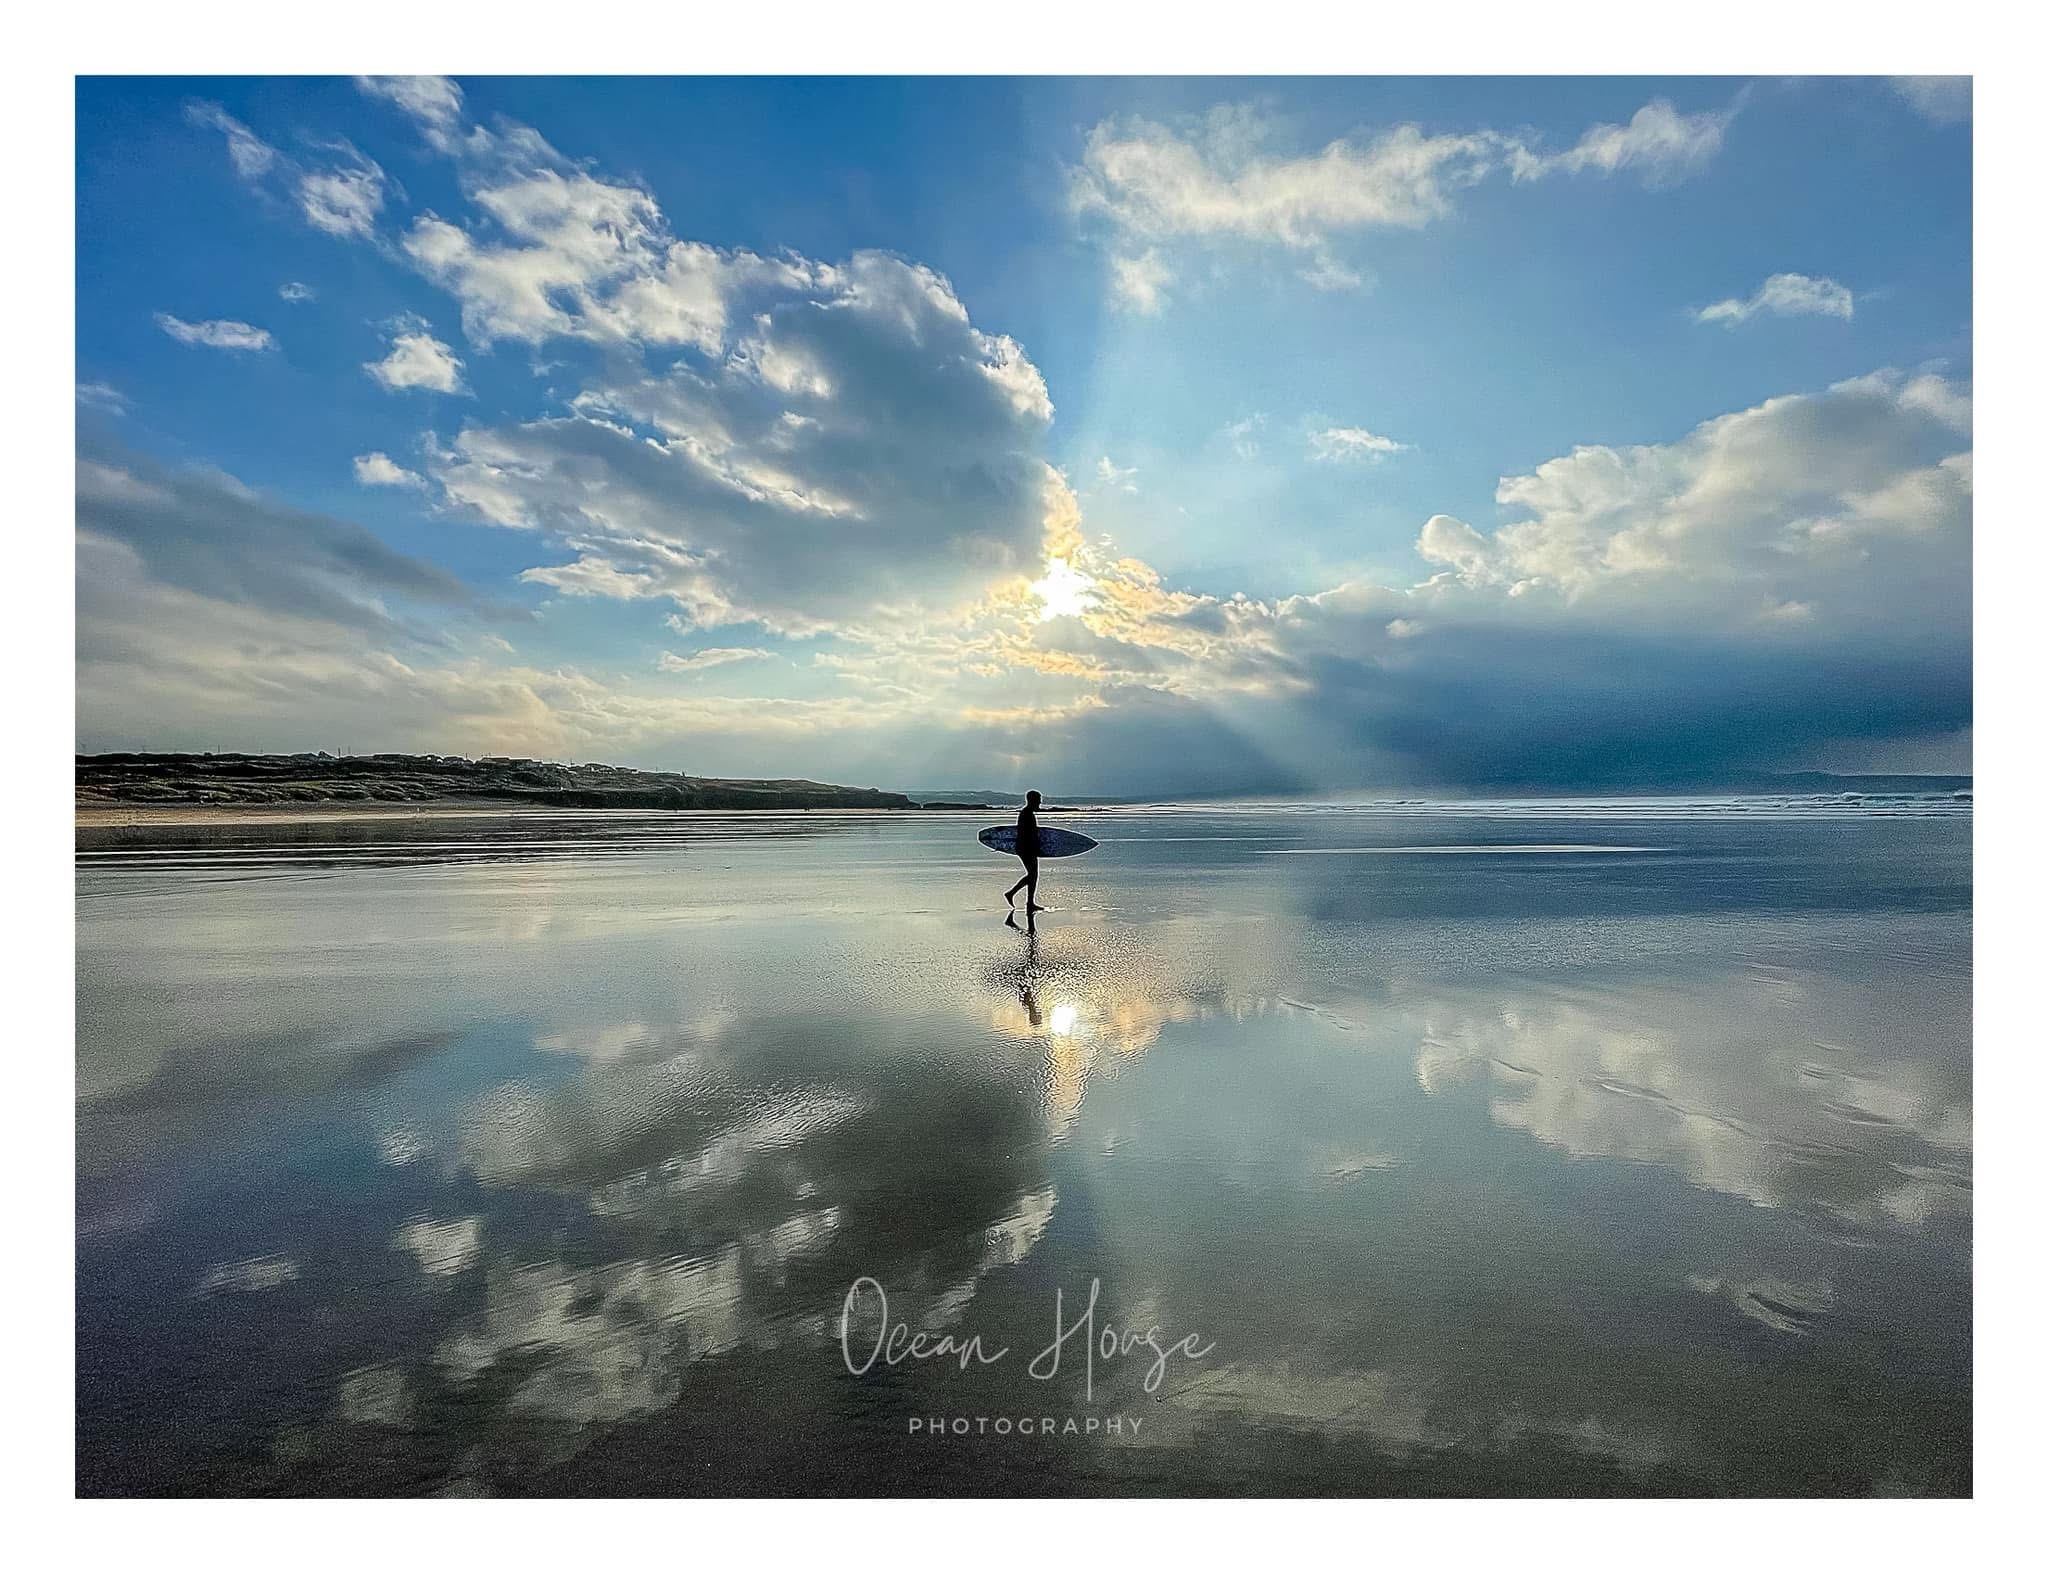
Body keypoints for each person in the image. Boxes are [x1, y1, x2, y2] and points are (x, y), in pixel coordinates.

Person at [1004, 790, 1045, 912]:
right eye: (1038, 800)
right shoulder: (1026, 814)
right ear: (1032, 800)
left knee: (1033, 875)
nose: (1040, 802)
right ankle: (1012, 894)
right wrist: (1034, 846)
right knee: (1033, 875)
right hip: (1026, 848)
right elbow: (1026, 834)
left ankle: (1029, 902)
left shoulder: (1027, 813)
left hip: (1026, 848)